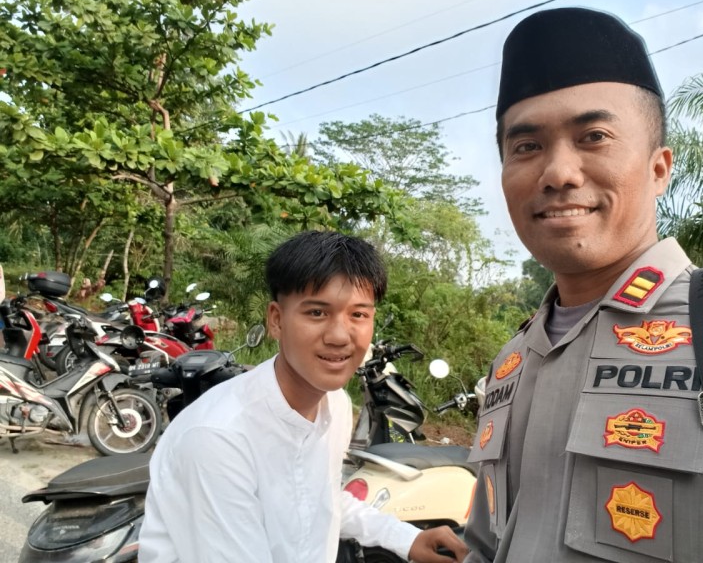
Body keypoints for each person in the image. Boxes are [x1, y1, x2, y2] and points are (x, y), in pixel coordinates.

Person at [463, 7, 703, 562]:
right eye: (526, 146)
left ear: (659, 168)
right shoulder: (512, 364)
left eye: (593, 136)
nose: (558, 173)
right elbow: (485, 544)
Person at [139, 230, 468, 562]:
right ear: (277, 320)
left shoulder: (334, 404)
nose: (340, 336)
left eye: (358, 314)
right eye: (317, 313)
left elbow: (322, 500)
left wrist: (406, 539)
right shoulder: (218, 439)